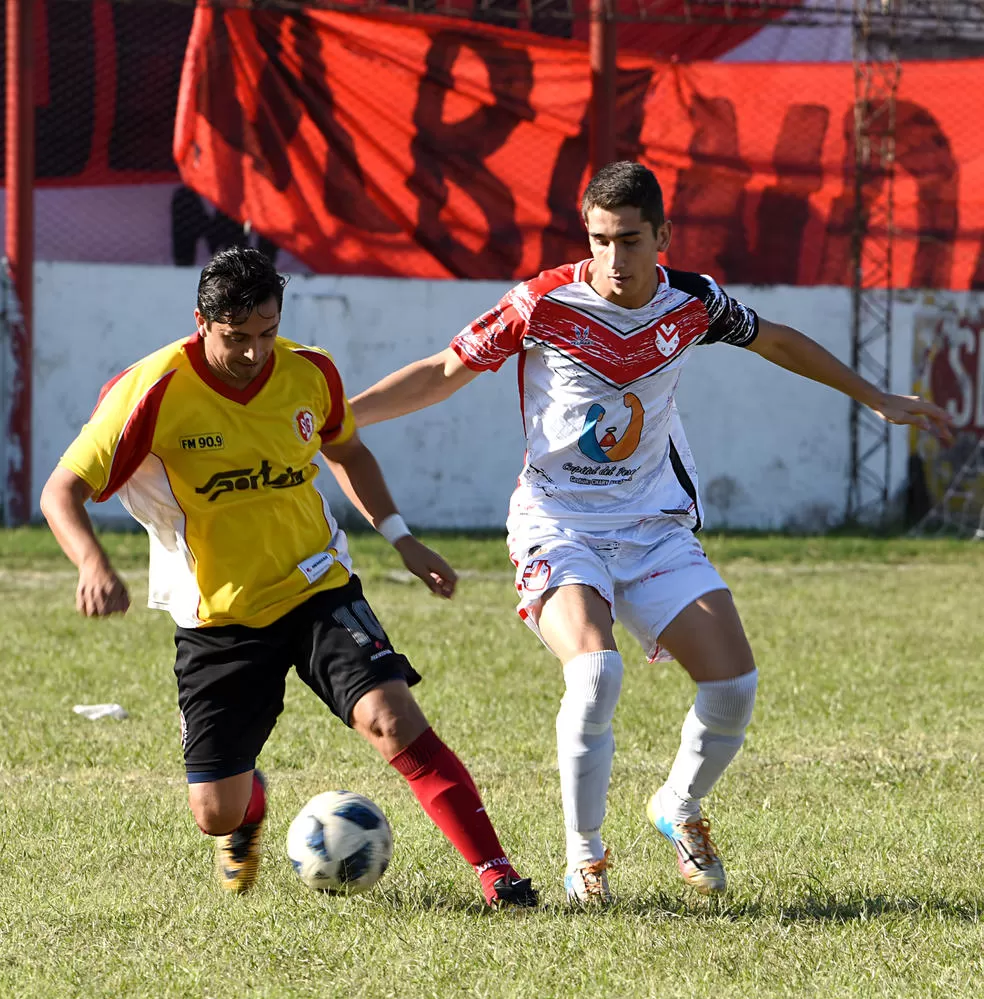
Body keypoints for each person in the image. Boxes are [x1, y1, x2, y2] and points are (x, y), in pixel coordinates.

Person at [350, 161, 954, 904]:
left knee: (734, 687)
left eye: (630, 241)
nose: (614, 259)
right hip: (559, 524)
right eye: (600, 240)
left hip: (652, 527)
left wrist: (874, 396)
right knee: (597, 673)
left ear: (662, 237)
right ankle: (585, 857)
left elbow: (777, 342)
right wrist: (346, 419)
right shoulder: (541, 304)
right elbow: (445, 369)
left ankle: (678, 806)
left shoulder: (692, 303)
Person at [40, 246, 537, 909]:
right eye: (237, 338)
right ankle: (249, 808)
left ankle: (497, 873)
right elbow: (60, 492)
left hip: (316, 585)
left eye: (267, 333)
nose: (254, 352)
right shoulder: (155, 390)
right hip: (218, 616)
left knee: (391, 719)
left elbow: (348, 450)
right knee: (215, 812)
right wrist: (93, 565)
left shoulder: (309, 373)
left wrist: (402, 538)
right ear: (201, 322)